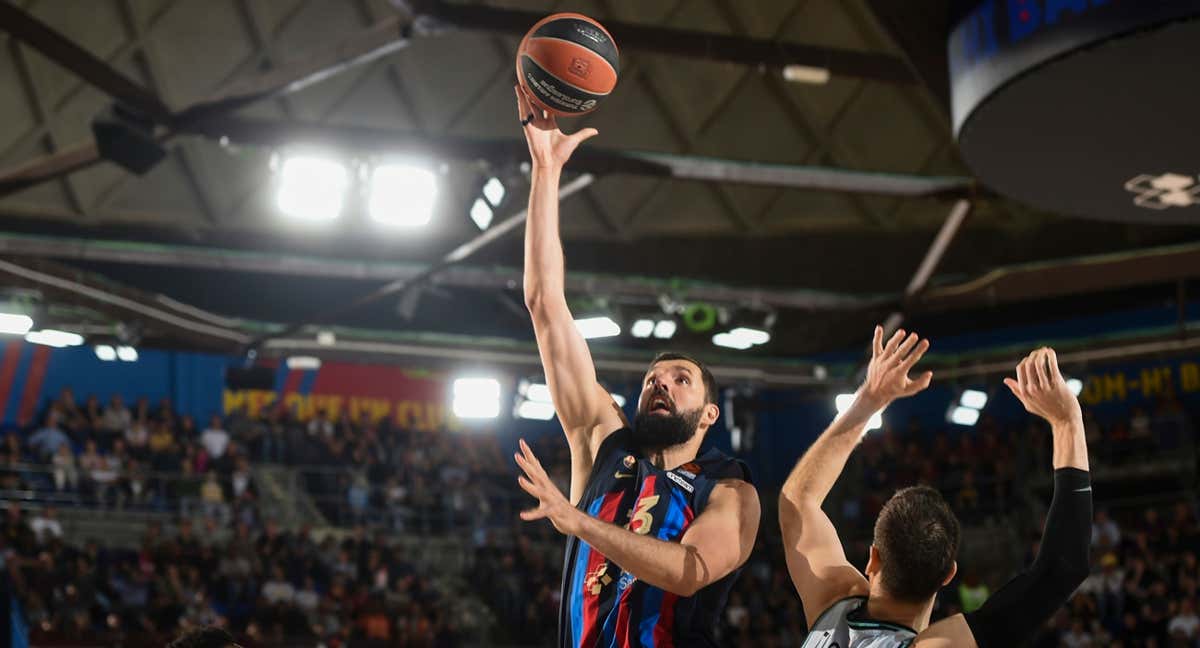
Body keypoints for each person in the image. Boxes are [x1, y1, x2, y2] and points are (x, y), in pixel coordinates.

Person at [511, 85, 760, 647]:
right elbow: (546, 305)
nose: (660, 384)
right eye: (653, 379)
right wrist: (546, 170)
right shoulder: (603, 441)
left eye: (680, 379)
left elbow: (690, 571)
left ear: (708, 415)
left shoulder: (728, 489)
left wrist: (580, 523)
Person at [779, 337, 1091, 647]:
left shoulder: (834, 604)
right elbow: (1062, 570)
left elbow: (797, 500)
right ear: (948, 576)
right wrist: (1067, 424)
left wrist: (870, 399)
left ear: (873, 558)